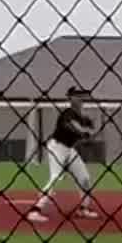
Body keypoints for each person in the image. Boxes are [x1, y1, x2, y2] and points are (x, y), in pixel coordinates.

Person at [26, 88, 100, 223]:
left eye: (81, 96)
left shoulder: (82, 116)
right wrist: (84, 133)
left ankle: (83, 208)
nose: (81, 99)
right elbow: (73, 127)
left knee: (84, 178)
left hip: (69, 150)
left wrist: (89, 131)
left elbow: (90, 130)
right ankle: (34, 211)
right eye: (77, 96)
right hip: (57, 148)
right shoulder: (67, 114)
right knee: (55, 177)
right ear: (71, 99)